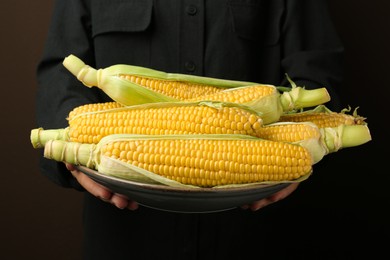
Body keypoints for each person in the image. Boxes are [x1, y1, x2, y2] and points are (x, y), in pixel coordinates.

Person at [35, 0, 344, 259]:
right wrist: (73, 153)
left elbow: (316, 72)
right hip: (127, 233)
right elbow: (59, 76)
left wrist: (302, 151)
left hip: (250, 230)